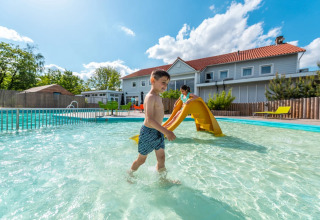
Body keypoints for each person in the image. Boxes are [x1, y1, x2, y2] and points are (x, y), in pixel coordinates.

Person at [130, 69, 176, 174]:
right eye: (163, 82)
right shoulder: (150, 97)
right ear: (153, 80)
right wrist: (166, 131)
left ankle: (162, 180)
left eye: (167, 83)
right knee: (141, 160)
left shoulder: (158, 97)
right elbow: (149, 120)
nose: (165, 85)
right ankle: (130, 173)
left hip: (158, 132)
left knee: (161, 157)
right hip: (148, 132)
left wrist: (162, 131)